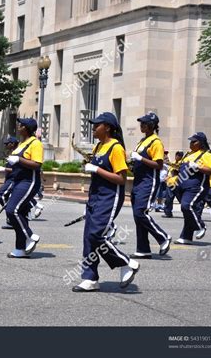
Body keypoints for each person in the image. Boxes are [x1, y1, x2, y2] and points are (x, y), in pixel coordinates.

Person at [73, 112, 139, 292]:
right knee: (88, 238)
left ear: (107, 127)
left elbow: (121, 179)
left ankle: (126, 262)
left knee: (96, 235)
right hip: (95, 197)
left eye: (97, 125)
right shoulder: (99, 146)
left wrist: (96, 169)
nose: (93, 128)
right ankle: (90, 278)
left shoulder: (116, 148)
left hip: (109, 197)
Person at [129, 113, 171, 259]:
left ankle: (163, 237)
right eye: (141, 123)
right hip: (138, 181)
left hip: (148, 182)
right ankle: (143, 248)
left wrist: (140, 158)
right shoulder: (142, 141)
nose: (142, 126)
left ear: (152, 126)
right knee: (137, 215)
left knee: (141, 212)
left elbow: (159, 165)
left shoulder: (156, 142)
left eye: (145, 124)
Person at [4, 118, 43, 258]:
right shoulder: (22, 143)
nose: (18, 127)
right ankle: (20, 248)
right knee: (21, 213)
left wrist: (19, 160)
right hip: (18, 180)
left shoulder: (35, 143)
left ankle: (30, 236)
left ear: (26, 128)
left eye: (20, 125)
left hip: (29, 181)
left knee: (11, 210)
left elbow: (37, 164)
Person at [174, 132, 211, 244]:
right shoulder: (188, 154)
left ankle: (201, 226)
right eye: (190, 141)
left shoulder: (206, 155)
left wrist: (198, 166)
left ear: (201, 143)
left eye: (194, 141)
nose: (191, 143)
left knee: (186, 206)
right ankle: (186, 236)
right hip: (182, 186)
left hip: (196, 187)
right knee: (186, 210)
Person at [0, 137, 19, 229]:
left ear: (12, 144)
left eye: (7, 144)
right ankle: (11, 219)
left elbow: (17, 169)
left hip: (13, 179)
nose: (5, 145)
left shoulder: (17, 153)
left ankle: (12, 215)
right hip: (9, 178)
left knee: (1, 195)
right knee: (4, 196)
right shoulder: (12, 153)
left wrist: (4, 169)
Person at [162, 151, 184, 218]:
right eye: (177, 155)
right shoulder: (173, 163)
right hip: (170, 184)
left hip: (177, 184)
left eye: (179, 155)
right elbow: (171, 173)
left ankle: (188, 213)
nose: (177, 156)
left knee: (181, 199)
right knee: (168, 199)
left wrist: (169, 163)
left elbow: (178, 169)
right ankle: (168, 213)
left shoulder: (182, 163)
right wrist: (167, 178)